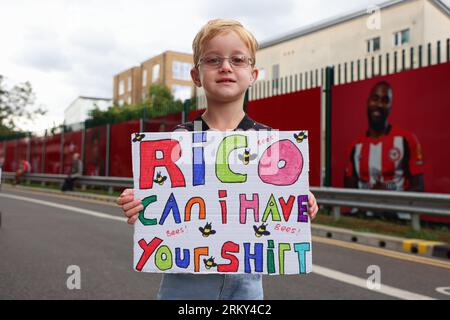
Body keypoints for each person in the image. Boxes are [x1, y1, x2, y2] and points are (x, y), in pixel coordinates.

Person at [117, 19, 318, 300]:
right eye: (213, 60)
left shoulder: (269, 141)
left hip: (246, 281)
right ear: (196, 76)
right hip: (184, 280)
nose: (226, 67)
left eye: (238, 59)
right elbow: (161, 197)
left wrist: (301, 201)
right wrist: (140, 202)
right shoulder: (179, 139)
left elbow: (278, 198)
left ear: (253, 74)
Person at [344, 81, 424, 218]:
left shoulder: (406, 139)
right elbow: (349, 188)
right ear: (368, 102)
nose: (379, 105)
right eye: (375, 99)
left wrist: (389, 199)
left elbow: (418, 186)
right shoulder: (356, 146)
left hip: (398, 218)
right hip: (364, 217)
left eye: (385, 100)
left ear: (390, 105)